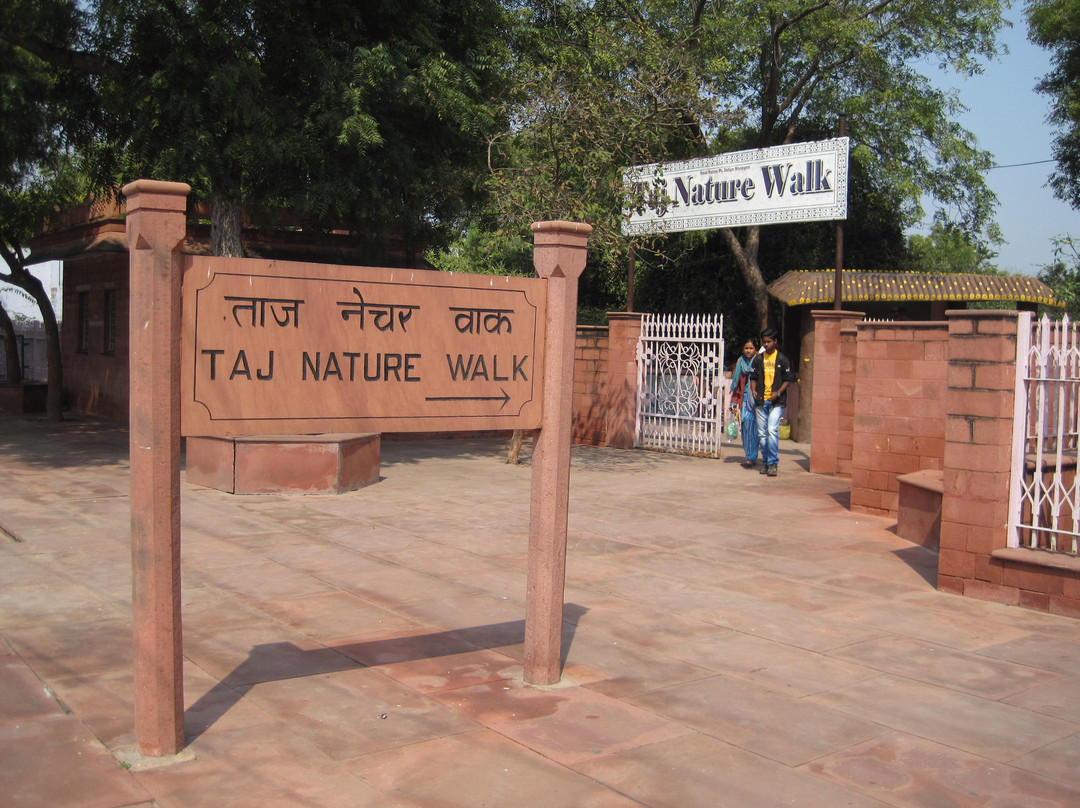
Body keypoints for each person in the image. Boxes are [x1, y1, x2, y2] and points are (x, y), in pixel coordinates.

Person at [749, 327, 794, 477]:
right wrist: (754, 391)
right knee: (762, 434)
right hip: (761, 401)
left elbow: (788, 380)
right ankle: (766, 462)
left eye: (769, 342)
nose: (766, 344)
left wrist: (778, 393)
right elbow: (753, 377)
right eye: (764, 342)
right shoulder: (758, 359)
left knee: (772, 431)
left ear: (775, 342)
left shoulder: (782, 360)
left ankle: (773, 463)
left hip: (776, 402)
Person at [728, 339, 760, 468]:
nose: (748, 351)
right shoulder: (740, 362)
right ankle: (749, 456)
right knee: (746, 427)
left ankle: (753, 456)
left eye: (751, 348)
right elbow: (737, 385)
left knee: (755, 430)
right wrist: (734, 402)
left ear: (755, 349)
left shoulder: (759, 361)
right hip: (744, 400)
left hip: (757, 400)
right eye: (746, 348)